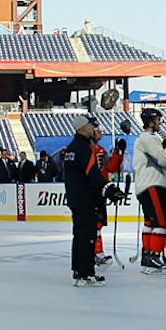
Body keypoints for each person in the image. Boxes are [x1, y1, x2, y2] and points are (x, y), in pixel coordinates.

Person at [58, 120, 107, 287]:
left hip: (75, 197)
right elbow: (92, 173)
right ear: (82, 128)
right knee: (87, 236)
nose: (92, 129)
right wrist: (106, 188)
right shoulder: (83, 148)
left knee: (79, 235)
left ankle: (78, 270)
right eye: (90, 126)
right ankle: (86, 273)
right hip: (86, 198)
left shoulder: (71, 147)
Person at [129, 111, 166, 272]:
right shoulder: (148, 138)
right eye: (157, 120)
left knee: (150, 222)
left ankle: (148, 255)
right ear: (150, 122)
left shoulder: (144, 139)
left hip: (146, 184)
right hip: (153, 184)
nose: (160, 123)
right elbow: (164, 160)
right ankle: (155, 256)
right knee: (160, 222)